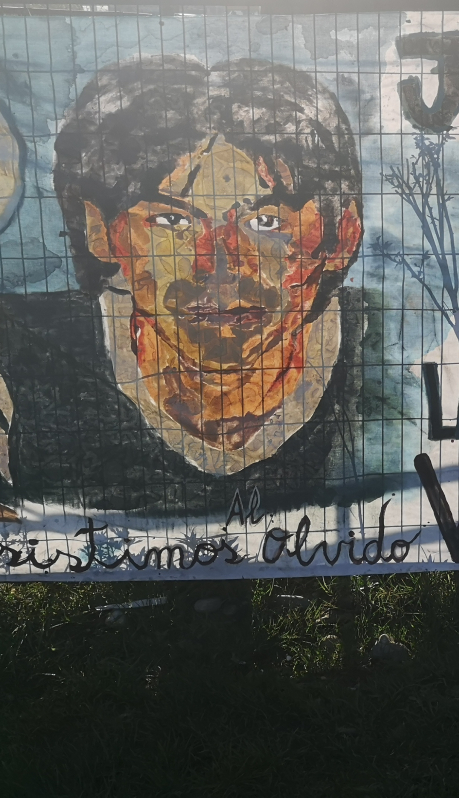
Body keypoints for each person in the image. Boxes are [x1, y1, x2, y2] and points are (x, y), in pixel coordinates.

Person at [0, 54, 384, 518]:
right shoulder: (17, 355)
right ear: (101, 230)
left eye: (264, 222)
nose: (218, 266)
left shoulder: (396, 355)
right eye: (171, 220)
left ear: (341, 235)